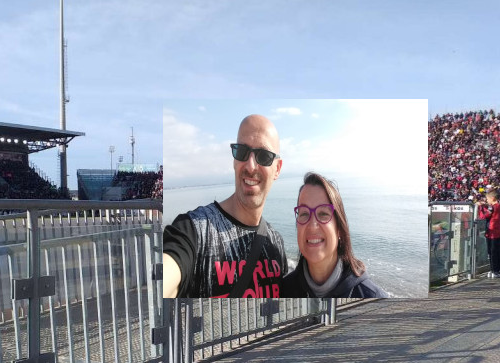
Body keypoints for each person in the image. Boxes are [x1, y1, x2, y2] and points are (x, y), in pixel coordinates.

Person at [162, 114, 287, 298]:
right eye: (242, 152)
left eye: (264, 156)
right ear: (235, 160)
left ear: (277, 169)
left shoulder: (276, 242)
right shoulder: (194, 230)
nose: (251, 166)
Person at [281, 172, 387, 298]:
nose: (312, 225)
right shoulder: (283, 292)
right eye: (304, 214)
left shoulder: (373, 299)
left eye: (323, 214)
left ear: (339, 229)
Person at [477, 189, 500, 278]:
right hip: (498, 231)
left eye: (487, 199)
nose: (487, 201)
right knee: (497, 251)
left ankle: (494, 271)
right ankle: (497, 270)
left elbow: (484, 215)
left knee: (492, 252)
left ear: (492, 198)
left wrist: (480, 207)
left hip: (492, 232)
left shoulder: (493, 207)